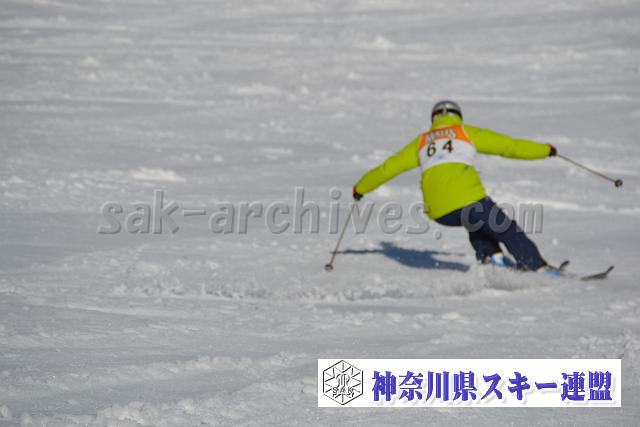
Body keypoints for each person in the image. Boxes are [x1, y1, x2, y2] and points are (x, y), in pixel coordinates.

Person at [353, 100, 559, 274]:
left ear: (434, 119)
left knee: (474, 221)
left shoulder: (421, 142)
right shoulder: (464, 132)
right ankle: (537, 268)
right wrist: (545, 150)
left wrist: (361, 188)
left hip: (440, 212)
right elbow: (510, 147)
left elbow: (388, 168)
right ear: (458, 116)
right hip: (468, 200)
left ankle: (491, 258)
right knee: (506, 229)